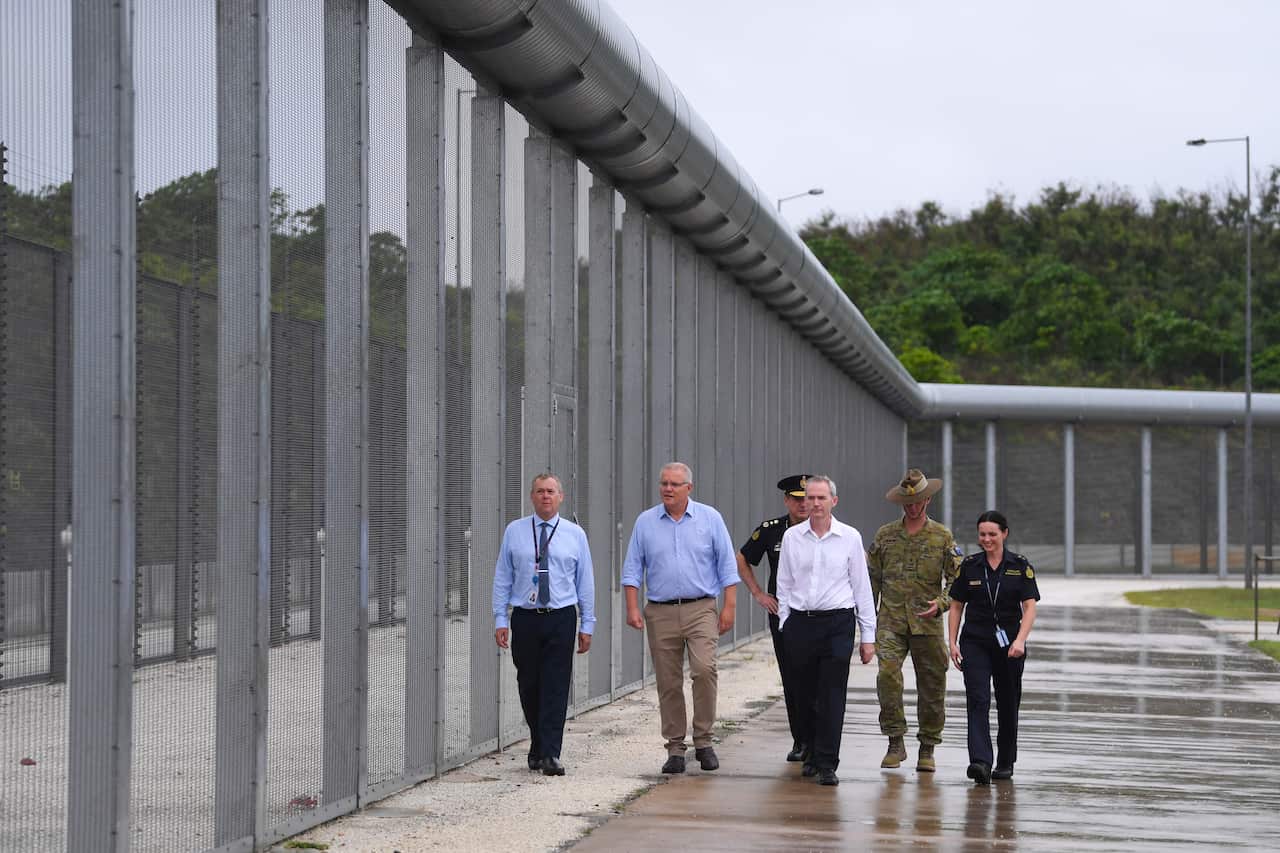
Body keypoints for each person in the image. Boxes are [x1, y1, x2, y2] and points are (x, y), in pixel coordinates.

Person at [622, 462, 739, 775]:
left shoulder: (710, 519)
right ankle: (675, 748)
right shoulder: (645, 522)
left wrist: (729, 606)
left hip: (701, 607)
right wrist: (632, 608)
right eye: (664, 484)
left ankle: (704, 740)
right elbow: (633, 569)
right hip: (660, 611)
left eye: (674, 484)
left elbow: (728, 565)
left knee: (704, 669)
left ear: (690, 487)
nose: (668, 489)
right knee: (668, 681)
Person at [776, 475, 877, 787]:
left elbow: (862, 587)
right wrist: (784, 621)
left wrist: (868, 636)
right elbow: (784, 582)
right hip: (801, 623)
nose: (814, 504)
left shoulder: (849, 537)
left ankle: (827, 762)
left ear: (834, 501)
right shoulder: (793, 537)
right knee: (804, 694)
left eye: (821, 498)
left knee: (832, 695)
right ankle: (809, 751)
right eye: (810, 498)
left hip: (837, 623)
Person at [492, 473, 595, 776]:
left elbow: (585, 580)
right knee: (529, 683)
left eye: (551, 491)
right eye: (539, 491)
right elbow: (503, 577)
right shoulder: (515, 531)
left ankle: (551, 752)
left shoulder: (575, 534)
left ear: (560, 496)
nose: (545, 496)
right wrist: (501, 617)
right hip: (526, 617)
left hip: (561, 615)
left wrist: (587, 623)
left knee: (556, 684)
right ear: (532, 497)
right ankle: (537, 744)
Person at [867, 468, 962, 773]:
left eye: (917, 501)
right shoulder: (885, 535)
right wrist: (867, 622)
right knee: (888, 678)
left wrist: (942, 603)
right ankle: (895, 741)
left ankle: (928, 746)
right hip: (891, 621)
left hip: (927, 622)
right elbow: (872, 579)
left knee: (932, 686)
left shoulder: (941, 536)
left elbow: (957, 577)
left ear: (927, 500)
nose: (911, 506)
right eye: (906, 502)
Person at [947, 510, 1040, 785]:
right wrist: (951, 642)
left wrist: (1020, 640)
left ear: (1004, 534)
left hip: (1010, 643)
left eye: (992, 534)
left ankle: (1005, 761)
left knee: (1008, 703)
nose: (986, 539)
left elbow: (1030, 607)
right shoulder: (971, 565)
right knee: (978, 700)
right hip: (975, 641)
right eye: (982, 534)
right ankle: (980, 762)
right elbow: (955, 606)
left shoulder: (1019, 565)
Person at [736, 473, 813, 763]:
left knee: (818, 680)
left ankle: (819, 740)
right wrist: (758, 593)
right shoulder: (772, 530)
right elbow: (743, 557)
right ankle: (800, 740)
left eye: (807, 498)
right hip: (784, 615)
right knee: (792, 678)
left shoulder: (822, 528)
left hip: (818, 614)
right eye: (796, 499)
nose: (803, 504)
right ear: (787, 501)